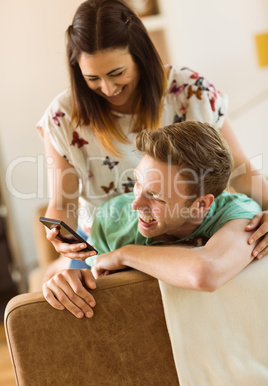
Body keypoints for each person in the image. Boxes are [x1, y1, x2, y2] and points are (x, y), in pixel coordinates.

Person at [37, 0, 268, 278]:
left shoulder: (190, 91)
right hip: (107, 239)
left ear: (140, 56)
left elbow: (241, 170)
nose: (108, 89)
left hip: (185, 231)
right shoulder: (62, 116)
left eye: (117, 73)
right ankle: (55, 267)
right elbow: (62, 203)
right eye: (92, 79)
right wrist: (62, 235)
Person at [43, 121, 262, 319]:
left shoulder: (240, 214)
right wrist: (67, 280)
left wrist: (124, 254)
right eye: (137, 182)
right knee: (55, 271)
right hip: (94, 231)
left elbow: (204, 273)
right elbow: (94, 284)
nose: (135, 204)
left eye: (156, 196)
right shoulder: (113, 219)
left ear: (201, 205)